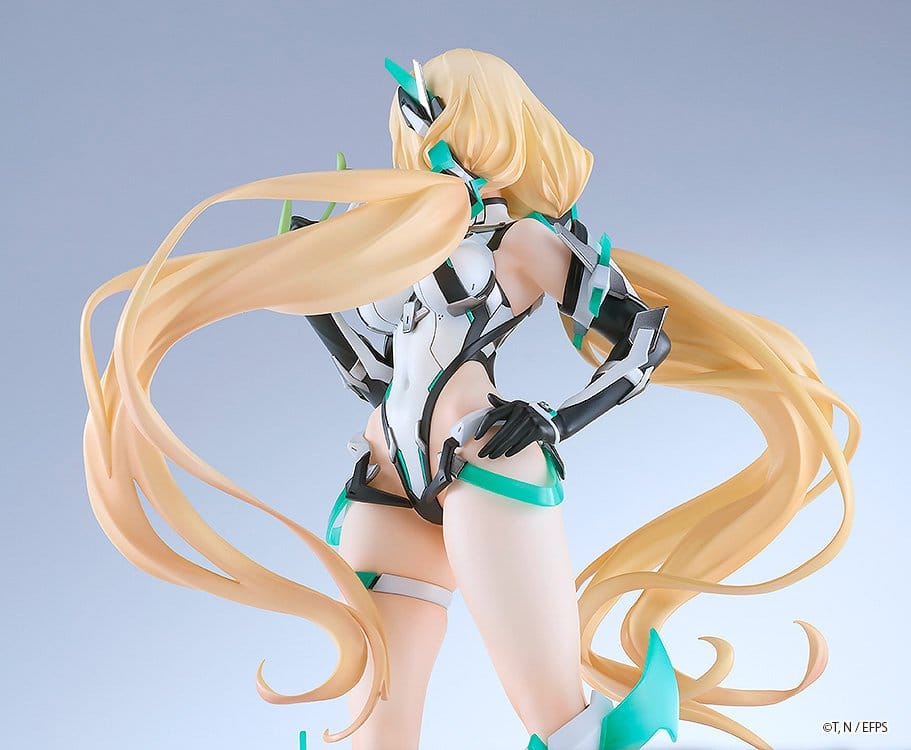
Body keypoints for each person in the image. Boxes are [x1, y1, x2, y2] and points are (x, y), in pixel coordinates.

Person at [80, 48, 858, 750]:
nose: (422, 136)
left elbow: (642, 343)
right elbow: (376, 375)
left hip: (483, 455)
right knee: (371, 731)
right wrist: (312, 294)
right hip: (385, 475)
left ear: (486, 126)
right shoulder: (403, 242)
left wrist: (557, 417)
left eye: (438, 117)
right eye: (414, 122)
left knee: (567, 724)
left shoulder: (523, 241)